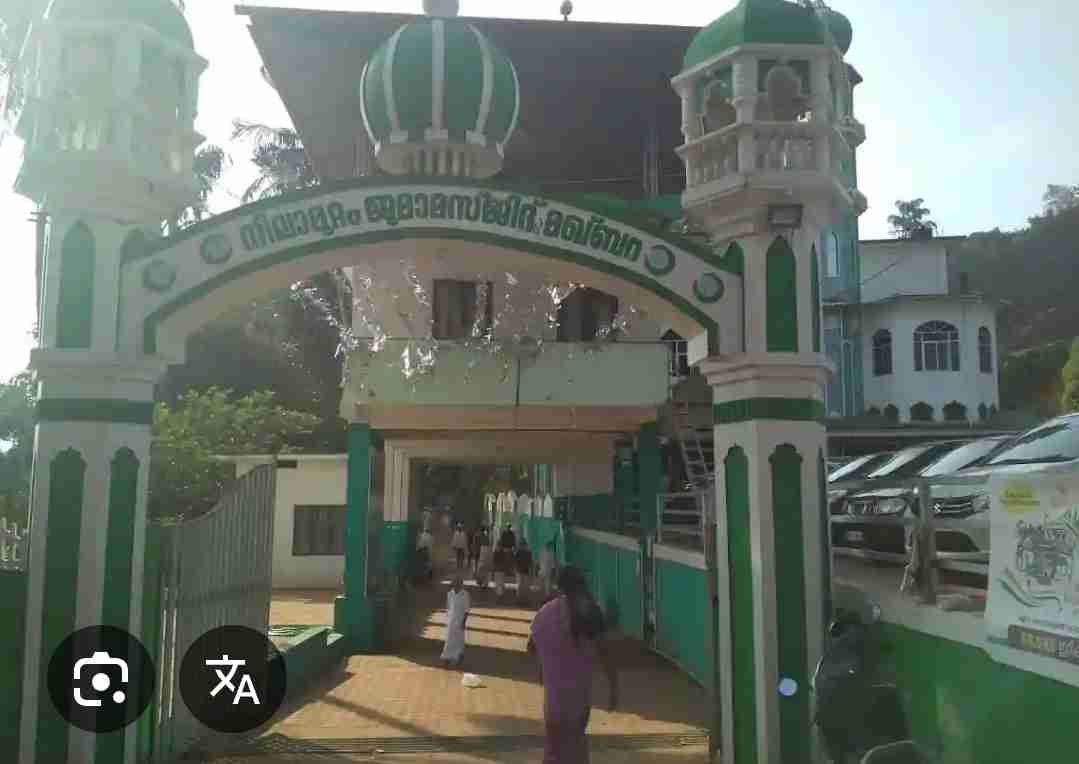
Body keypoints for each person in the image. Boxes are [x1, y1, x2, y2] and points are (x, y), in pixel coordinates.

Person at [528, 566, 618, 764]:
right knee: (576, 748)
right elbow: (606, 653)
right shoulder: (590, 612)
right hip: (579, 699)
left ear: (558, 586)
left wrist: (543, 669)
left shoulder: (545, 613)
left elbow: (532, 647)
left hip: (553, 699)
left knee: (553, 751)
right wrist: (613, 688)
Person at [441, 575, 471, 667]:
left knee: (459, 640)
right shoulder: (449, 594)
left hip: (460, 620)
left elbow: (466, 610)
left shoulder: (465, 594)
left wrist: (463, 622)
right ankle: (446, 659)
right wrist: (446, 619)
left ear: (461, 584)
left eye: (458, 583)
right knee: (449, 640)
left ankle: (459, 657)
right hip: (451, 620)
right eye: (454, 583)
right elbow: (448, 607)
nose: (456, 585)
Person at [515, 540, 534, 604]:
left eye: (523, 545)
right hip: (522, 571)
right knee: (522, 585)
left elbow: (530, 563)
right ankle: (522, 599)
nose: (522, 546)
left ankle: (522, 599)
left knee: (522, 585)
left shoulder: (523, 552)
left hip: (523, 571)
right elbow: (530, 563)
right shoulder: (525, 552)